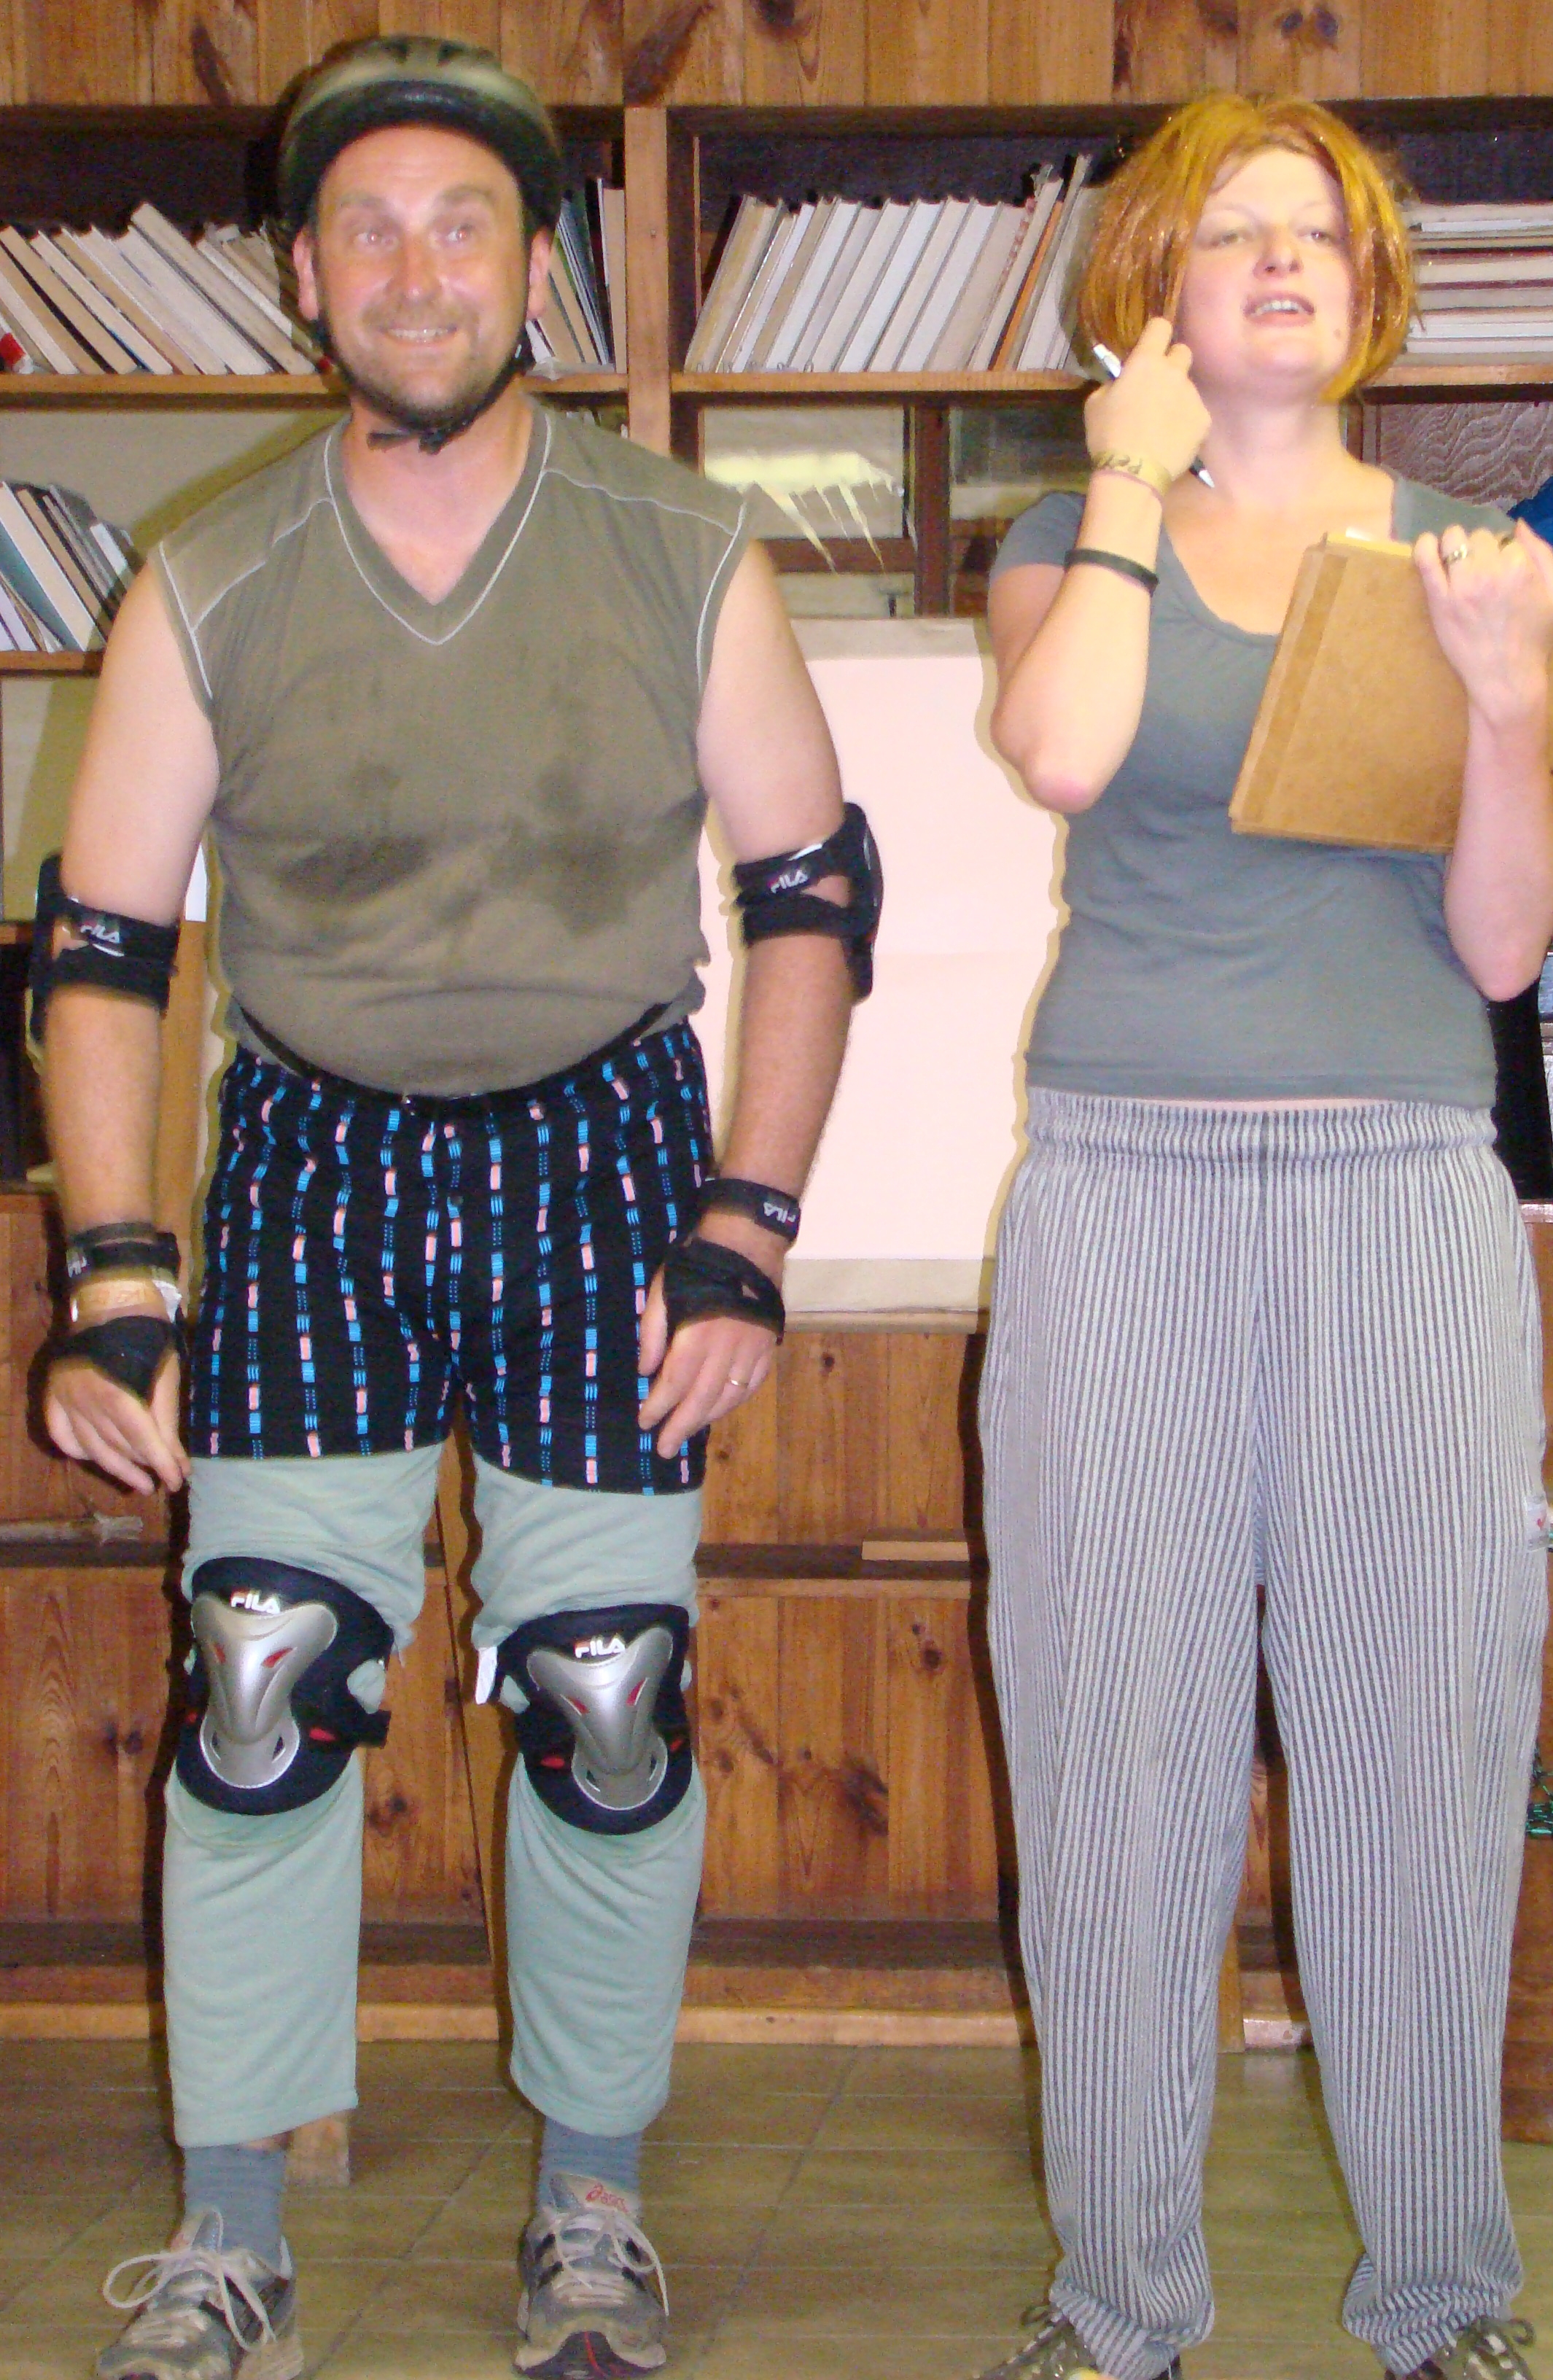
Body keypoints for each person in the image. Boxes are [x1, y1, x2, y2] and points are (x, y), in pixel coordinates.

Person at [35, 36, 874, 2380]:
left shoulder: (679, 549)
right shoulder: (213, 577)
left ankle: (591, 2209)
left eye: (465, 227)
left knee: (612, 1697)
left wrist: (749, 1224)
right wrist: (114, 1273)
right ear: (307, 279)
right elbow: (103, 944)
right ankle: (230, 2237)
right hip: (312, 1160)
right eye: (369, 231)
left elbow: (813, 897)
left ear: (536, 268)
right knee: (260, 1680)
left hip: (609, 1160)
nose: (417, 272)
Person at [973, 93, 1553, 2380]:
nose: (1286, 260)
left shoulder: (1462, 559)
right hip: (1123, 1191)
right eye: (1231, 233)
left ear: (1370, 281)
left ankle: (1446, 2297)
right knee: (1111, 1758)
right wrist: (1133, 482)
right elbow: (1061, 753)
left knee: (1421, 1752)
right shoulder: (1065, 539)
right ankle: (1120, 2306)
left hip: (1399, 1190)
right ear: (1155, 286)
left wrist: (1508, 707)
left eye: (1318, 231)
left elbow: (1500, 951)